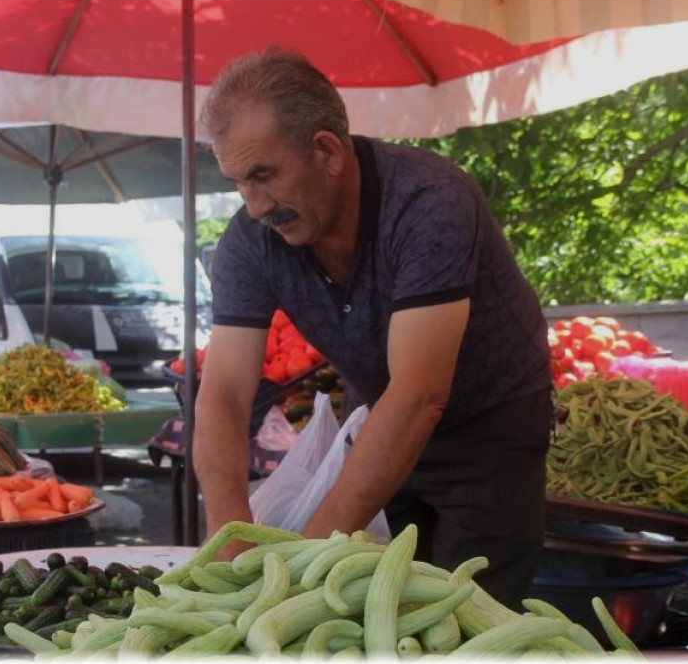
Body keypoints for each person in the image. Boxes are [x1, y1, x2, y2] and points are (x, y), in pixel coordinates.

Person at [192, 49, 553, 609]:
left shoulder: (429, 202)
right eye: (238, 181)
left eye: (264, 174)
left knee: (467, 618)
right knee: (366, 613)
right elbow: (223, 393)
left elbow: (421, 393)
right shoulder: (249, 240)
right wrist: (228, 530)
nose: (255, 204)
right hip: (377, 421)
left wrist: (305, 561)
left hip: (489, 429)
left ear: (327, 151)